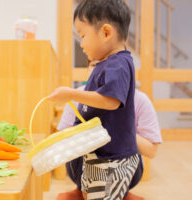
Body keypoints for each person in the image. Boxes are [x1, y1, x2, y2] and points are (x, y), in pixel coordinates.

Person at [48, 0, 140, 199]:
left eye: (82, 35)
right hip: (101, 155)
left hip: (112, 159)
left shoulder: (118, 64)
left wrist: (71, 94)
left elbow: (110, 101)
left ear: (106, 33)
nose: (80, 44)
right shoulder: (106, 64)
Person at [56, 86, 162, 200]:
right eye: (94, 67)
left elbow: (151, 151)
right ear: (89, 70)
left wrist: (123, 127)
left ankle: (121, 192)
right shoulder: (78, 95)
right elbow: (63, 142)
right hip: (81, 168)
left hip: (128, 170)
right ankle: (84, 191)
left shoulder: (140, 100)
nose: (106, 73)